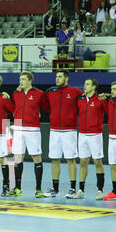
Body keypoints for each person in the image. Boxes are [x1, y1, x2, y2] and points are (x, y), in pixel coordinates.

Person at [5, 71, 47, 198]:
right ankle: (18, 188)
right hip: (18, 129)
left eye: (23, 79)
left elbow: (46, 107)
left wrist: (36, 115)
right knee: (18, 158)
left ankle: (38, 189)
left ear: (30, 80)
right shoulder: (16, 93)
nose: (21, 81)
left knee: (36, 158)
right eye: (20, 79)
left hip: (33, 129)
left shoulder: (39, 94)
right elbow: (14, 108)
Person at [43, 70, 84, 199]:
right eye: (56, 76)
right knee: (55, 159)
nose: (57, 79)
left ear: (66, 78)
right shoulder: (50, 92)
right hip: (54, 130)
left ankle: (72, 188)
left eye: (60, 76)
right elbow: (46, 106)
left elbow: (83, 106)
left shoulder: (75, 92)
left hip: (69, 131)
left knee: (70, 159)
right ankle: (55, 189)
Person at [74, 78, 108, 200]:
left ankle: (100, 190)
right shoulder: (80, 100)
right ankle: (81, 190)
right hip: (82, 134)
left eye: (87, 84)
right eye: (84, 84)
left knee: (98, 162)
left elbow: (110, 111)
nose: (85, 86)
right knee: (83, 162)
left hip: (95, 135)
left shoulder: (100, 100)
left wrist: (107, 97)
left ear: (94, 87)